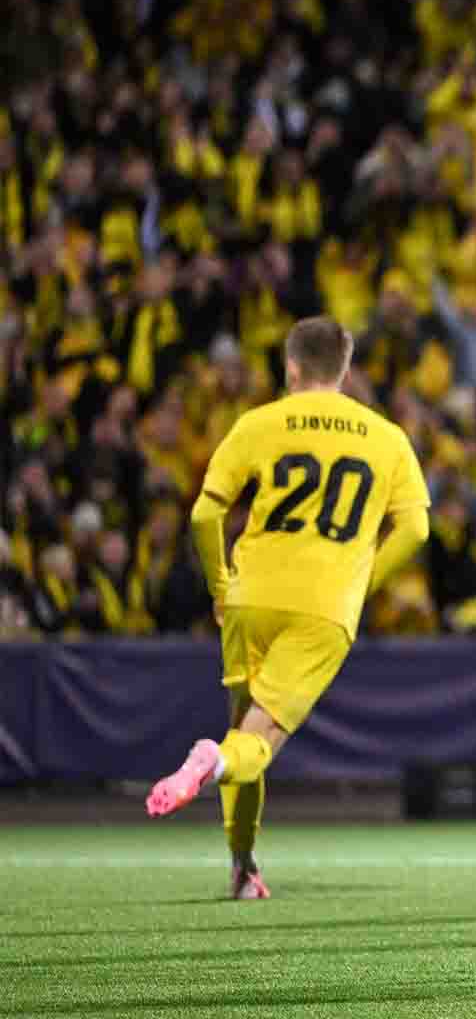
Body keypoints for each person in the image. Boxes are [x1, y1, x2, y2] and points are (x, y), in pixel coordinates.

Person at [145, 317, 432, 900]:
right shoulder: (385, 436)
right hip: (323, 608)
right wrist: (363, 580)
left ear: (291, 367)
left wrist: (221, 586)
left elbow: (205, 514)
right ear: (344, 369)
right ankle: (206, 762)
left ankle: (242, 865)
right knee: (252, 744)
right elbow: (417, 530)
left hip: (249, 596)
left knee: (242, 732)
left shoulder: (259, 423)